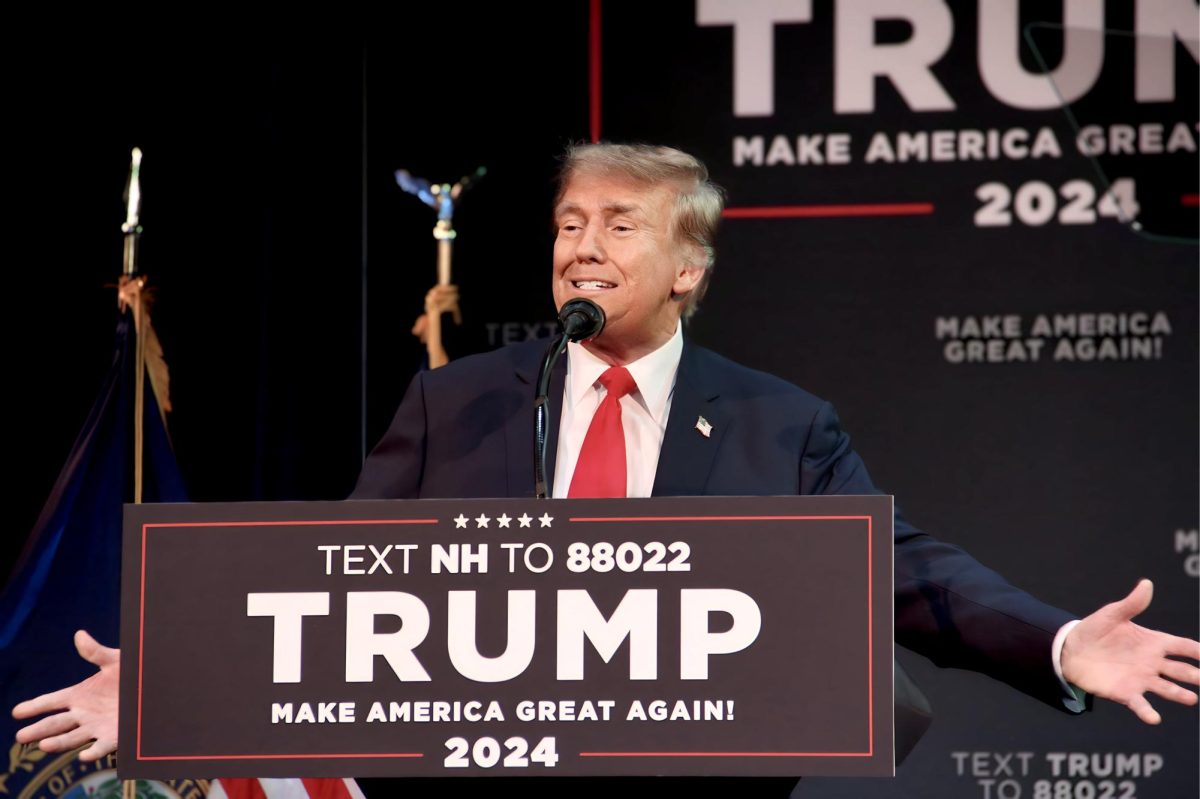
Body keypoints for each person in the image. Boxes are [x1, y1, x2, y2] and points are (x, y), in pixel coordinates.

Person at [12, 143, 1199, 779]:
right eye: (570, 223)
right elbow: (336, 585)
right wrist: (180, 690)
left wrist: (1054, 641)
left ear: (689, 267)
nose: (584, 246)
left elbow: (902, 571)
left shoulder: (780, 425)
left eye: (619, 225)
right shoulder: (459, 402)